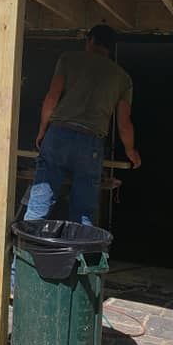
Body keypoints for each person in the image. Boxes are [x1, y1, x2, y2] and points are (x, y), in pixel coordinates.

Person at [26, 24, 139, 226]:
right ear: (110, 48)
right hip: (91, 142)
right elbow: (124, 123)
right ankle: (82, 258)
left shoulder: (68, 59)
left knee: (40, 202)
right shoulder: (123, 78)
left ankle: (26, 256)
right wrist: (131, 151)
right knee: (84, 210)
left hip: (59, 133)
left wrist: (43, 130)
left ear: (90, 40)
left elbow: (52, 97)